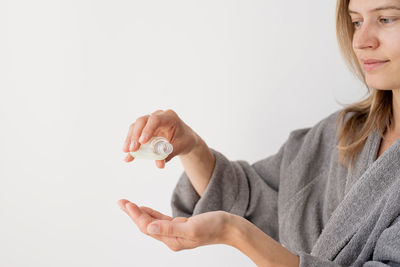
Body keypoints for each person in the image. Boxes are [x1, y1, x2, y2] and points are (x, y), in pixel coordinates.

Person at [118, 0, 400, 265]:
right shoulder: (343, 134)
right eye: (356, 22)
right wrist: (191, 148)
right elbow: (254, 197)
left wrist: (234, 232)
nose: (361, 42)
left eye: (386, 19)